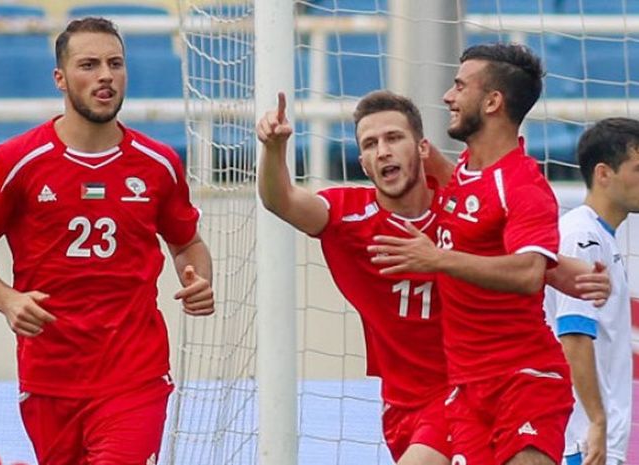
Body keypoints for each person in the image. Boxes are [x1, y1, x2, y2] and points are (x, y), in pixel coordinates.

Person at [257, 89, 609, 465]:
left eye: (394, 138)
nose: (383, 151)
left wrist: (569, 274)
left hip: (476, 386)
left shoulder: (458, 208)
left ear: (422, 148)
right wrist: (274, 149)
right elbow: (283, 201)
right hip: (402, 405)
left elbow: (523, 258)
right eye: (371, 144)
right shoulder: (348, 218)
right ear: (362, 162)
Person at [0, 17, 214, 465]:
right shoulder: (17, 161)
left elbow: (187, 243)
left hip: (135, 373)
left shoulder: (158, 162)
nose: (105, 75)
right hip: (50, 376)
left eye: (115, 63)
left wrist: (199, 278)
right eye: (89, 64)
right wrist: (8, 300)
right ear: (60, 78)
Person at [368, 43, 577, 465]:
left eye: (460, 86)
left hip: (525, 379)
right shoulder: (461, 172)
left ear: (493, 101)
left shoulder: (523, 185)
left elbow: (527, 273)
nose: (448, 96)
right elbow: (472, 210)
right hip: (466, 391)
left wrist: (438, 260)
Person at [544, 118, 639, 465]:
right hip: (583, 440)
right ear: (603, 174)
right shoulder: (580, 237)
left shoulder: (600, 237)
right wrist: (596, 422)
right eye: (638, 168)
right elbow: (574, 335)